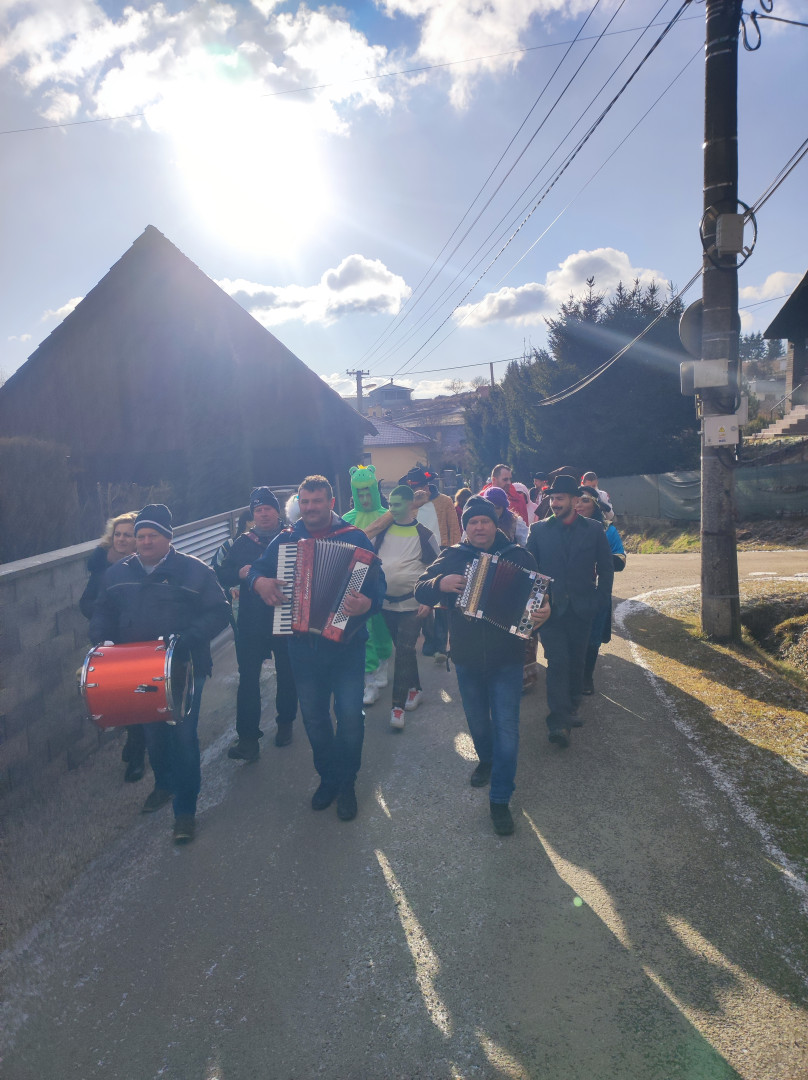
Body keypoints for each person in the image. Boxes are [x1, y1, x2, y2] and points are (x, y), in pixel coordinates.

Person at [89, 504, 230, 844]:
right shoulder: (116, 574)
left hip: (185, 667)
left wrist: (188, 639)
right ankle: (164, 784)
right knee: (154, 736)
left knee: (183, 737)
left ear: (168, 538)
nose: (146, 542)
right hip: (136, 670)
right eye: (141, 536)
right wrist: (102, 639)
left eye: (153, 535)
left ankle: (185, 812)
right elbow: (101, 612)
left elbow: (220, 612)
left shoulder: (195, 572)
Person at [249, 476, 386, 822]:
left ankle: (348, 782)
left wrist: (367, 604)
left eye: (317, 501)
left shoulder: (354, 537)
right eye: (305, 502)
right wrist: (259, 582)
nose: (310, 508)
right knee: (314, 717)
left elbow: (378, 586)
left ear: (331, 503)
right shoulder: (287, 539)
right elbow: (258, 570)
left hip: (347, 647)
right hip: (302, 647)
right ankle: (329, 778)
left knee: (350, 716)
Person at [415, 495, 550, 836]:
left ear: (495, 524)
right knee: (477, 722)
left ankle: (500, 798)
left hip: (507, 659)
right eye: (472, 522)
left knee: (507, 729)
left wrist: (547, 611)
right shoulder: (453, 556)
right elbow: (420, 590)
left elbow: (541, 600)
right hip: (467, 658)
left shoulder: (518, 556)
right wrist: (439, 584)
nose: (479, 527)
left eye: (484, 521)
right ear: (466, 527)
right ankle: (487, 761)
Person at [526, 476, 614, 749]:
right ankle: (558, 722)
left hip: (583, 608)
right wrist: (536, 603)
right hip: (550, 611)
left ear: (575, 501)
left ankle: (572, 706)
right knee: (558, 662)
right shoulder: (538, 530)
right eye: (552, 498)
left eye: (560, 498)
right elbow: (530, 570)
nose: (554, 503)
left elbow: (606, 568)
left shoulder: (594, 529)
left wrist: (600, 600)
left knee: (577, 661)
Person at [214, 487, 298, 762]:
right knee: (248, 679)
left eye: (268, 509)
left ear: (277, 511)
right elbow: (219, 573)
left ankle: (285, 723)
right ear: (252, 515)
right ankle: (248, 739)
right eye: (258, 510)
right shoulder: (239, 543)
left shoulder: (293, 537)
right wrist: (238, 574)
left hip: (286, 616)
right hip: (251, 621)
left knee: (287, 673)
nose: (263, 514)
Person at [80, 511, 143, 782]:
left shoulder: (147, 565)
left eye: (128, 534)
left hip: (141, 641)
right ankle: (135, 741)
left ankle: (137, 752)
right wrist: (105, 616)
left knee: (140, 696)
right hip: (112, 642)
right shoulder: (103, 566)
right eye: (118, 534)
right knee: (124, 697)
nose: (122, 539)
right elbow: (86, 602)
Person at [372, 485, 439, 730]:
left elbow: (437, 570)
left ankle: (397, 707)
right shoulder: (381, 531)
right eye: (390, 504)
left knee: (403, 650)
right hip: (386, 603)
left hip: (413, 604)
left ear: (411, 504)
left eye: (397, 504)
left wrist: (429, 601)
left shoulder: (424, 534)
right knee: (404, 650)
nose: (392, 508)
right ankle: (415, 689)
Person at [341, 465, 394, 707]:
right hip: (357, 583)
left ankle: (383, 661)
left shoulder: (388, 515)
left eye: (367, 492)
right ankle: (369, 679)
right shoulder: (347, 519)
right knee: (366, 630)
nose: (364, 498)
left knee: (382, 628)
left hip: (386, 581)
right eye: (359, 493)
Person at [400, 467, 459, 662]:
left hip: (442, 554)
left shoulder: (445, 502)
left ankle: (440, 645)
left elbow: (454, 529)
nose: (416, 491)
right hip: (417, 556)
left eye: (418, 487)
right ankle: (429, 639)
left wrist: (455, 554)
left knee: (441, 601)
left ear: (426, 486)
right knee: (423, 598)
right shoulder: (410, 506)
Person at [575, 486, 626, 694]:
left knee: (592, 637)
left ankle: (586, 677)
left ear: (595, 505)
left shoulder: (607, 530)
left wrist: (599, 559)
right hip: (570, 591)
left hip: (596, 591)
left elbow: (620, 559)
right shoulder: (562, 527)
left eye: (585, 500)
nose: (579, 505)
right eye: (576, 500)